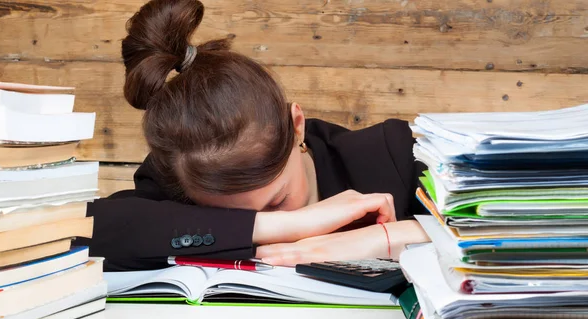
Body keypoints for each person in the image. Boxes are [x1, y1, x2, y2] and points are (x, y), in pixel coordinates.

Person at [80, 0, 430, 272]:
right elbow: (77, 234)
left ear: (297, 126)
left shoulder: (391, 157)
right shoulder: (176, 175)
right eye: (227, 214)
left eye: (277, 202)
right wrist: (283, 223)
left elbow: (482, 235)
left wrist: (385, 238)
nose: (277, 218)